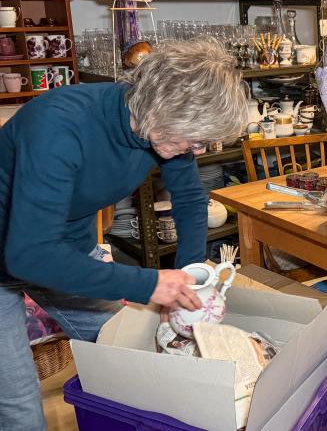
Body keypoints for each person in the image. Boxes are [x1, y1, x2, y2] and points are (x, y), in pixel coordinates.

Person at [0, 37, 249, 430]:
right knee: (19, 407)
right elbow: (28, 254)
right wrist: (148, 284)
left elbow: (188, 200)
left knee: (132, 353)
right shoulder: (59, 127)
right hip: (16, 253)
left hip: (64, 252)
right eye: (195, 139)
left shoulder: (163, 130)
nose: (198, 151)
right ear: (162, 109)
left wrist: (188, 280)